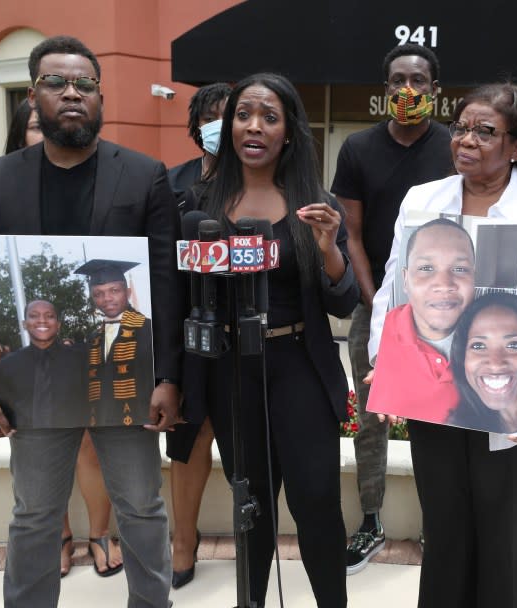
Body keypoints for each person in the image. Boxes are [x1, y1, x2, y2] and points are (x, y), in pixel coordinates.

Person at [0, 35, 182, 607]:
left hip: (125, 381)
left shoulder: (143, 175)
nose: (72, 93)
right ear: (34, 96)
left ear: (100, 97)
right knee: (34, 513)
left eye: (84, 83)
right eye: (56, 82)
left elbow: (165, 282)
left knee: (142, 506)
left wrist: (169, 377)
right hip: (35, 388)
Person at [369, 82, 517, 608]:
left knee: (500, 525)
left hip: (514, 394)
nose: (466, 140)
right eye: (462, 128)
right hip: (436, 392)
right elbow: (393, 289)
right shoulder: (422, 200)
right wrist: (385, 361)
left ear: (516, 147)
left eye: (484, 131)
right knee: (444, 524)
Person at [180, 73, 359, 607]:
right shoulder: (198, 203)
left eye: (270, 116)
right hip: (230, 371)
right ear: (229, 124)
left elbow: (343, 301)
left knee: (316, 501)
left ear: (288, 132)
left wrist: (328, 247)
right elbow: (180, 300)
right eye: (243, 114)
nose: (254, 126)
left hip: (298, 365)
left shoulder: (315, 203)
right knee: (248, 503)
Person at [330, 42, 453, 573]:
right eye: (398, 79)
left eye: (419, 81)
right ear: (385, 90)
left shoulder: (452, 147)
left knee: (442, 413)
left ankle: (439, 524)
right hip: (374, 306)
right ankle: (372, 520)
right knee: (372, 414)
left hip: (444, 308)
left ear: (434, 90)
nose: (408, 89)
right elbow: (350, 233)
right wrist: (375, 299)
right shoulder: (358, 147)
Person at [3, 98, 125, 578]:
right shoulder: (2, 188)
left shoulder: (104, 185)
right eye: (35, 125)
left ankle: (99, 533)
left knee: (90, 445)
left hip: (76, 340)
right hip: (33, 346)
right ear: (21, 137)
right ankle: (59, 536)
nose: (48, 129)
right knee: (36, 443)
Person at [164, 81, 230, 589]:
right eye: (214, 116)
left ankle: (255, 543)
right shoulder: (170, 183)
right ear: (196, 127)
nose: (223, 125)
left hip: (251, 335)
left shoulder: (262, 183)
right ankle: (182, 543)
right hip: (188, 333)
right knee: (190, 439)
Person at [367, 218, 476, 424]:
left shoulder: (499, 335)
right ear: (405, 279)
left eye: (460, 269)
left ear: (474, 279)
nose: (444, 284)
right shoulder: (388, 334)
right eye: (426, 268)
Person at [449, 292, 517, 439]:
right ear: (462, 358)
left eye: (514, 345)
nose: (496, 364)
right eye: (478, 346)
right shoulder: (454, 431)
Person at [76, 259, 154, 428]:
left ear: (127, 292)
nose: (107, 298)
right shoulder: (93, 338)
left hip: (140, 423)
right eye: (98, 294)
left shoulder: (149, 331)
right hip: (100, 423)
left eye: (114, 290)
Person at [0, 300, 88, 429]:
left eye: (49, 316)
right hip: (26, 444)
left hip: (76, 442)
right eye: (34, 316)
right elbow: (0, 411)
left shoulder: (81, 360)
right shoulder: (6, 366)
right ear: (24, 324)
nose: (42, 320)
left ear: (58, 324)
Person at [167, 82, 231, 198]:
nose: (221, 125)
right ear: (198, 126)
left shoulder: (258, 179)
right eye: (209, 119)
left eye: (228, 117)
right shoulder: (173, 179)